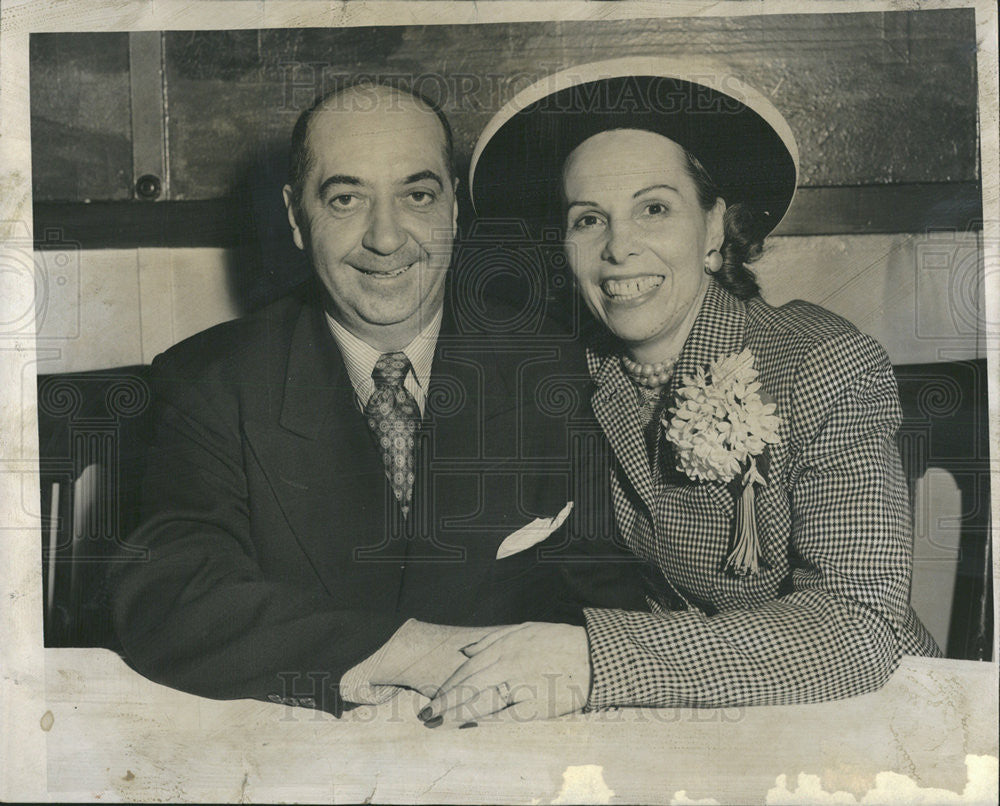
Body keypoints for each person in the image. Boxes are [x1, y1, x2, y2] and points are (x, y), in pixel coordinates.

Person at [410, 58, 942, 726]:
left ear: (715, 227)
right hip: (688, 719)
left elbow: (862, 630)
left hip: (861, 714)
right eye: (588, 219)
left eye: (654, 208)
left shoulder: (825, 363)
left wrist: (594, 660)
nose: (619, 249)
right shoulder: (568, 374)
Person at [111, 81, 646, 716]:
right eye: (345, 200)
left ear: (452, 210)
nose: (386, 238)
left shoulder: (556, 368)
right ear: (294, 216)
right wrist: (408, 653)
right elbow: (171, 594)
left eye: (417, 196)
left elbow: (614, 599)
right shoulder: (210, 382)